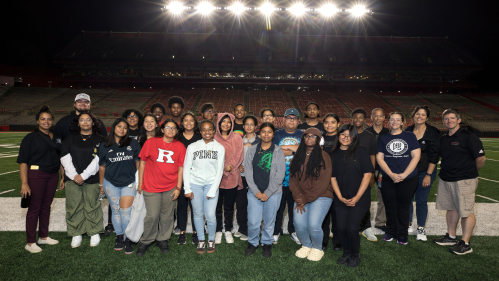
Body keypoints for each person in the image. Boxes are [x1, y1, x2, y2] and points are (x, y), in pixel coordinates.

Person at [433, 109, 486, 255]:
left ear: (459, 120)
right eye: (446, 119)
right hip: (446, 178)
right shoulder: (443, 138)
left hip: (464, 180)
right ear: (443, 121)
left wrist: (472, 174)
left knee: (466, 211)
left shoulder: (469, 136)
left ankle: (465, 243)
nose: (449, 121)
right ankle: (451, 236)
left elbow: (481, 158)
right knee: (451, 208)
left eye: (452, 118)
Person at [136, 119, 186, 257]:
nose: (171, 130)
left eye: (174, 128)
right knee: (152, 215)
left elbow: (181, 168)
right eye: (168, 128)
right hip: (151, 185)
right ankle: (146, 240)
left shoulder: (180, 146)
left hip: (170, 186)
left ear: (177, 131)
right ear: (162, 129)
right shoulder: (151, 142)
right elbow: (143, 162)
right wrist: (140, 183)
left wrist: (178, 187)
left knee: (167, 215)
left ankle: (163, 239)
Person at [18, 106, 64, 253]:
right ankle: (30, 242)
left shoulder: (56, 137)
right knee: (34, 208)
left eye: (49, 119)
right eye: (43, 119)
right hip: (36, 175)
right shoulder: (30, 138)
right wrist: (24, 183)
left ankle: (43, 237)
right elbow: (23, 161)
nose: (46, 121)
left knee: (46, 207)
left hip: (53, 175)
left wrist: (63, 176)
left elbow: (60, 158)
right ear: (37, 121)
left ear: (52, 121)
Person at [330, 124, 374, 268]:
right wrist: (340, 197)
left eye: (349, 135)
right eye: (343, 134)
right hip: (340, 198)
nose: (346, 138)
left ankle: (355, 255)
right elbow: (333, 178)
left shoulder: (361, 151)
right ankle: (347, 252)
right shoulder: (333, 154)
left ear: (354, 137)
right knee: (341, 228)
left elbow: (367, 175)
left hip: (359, 198)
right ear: (338, 135)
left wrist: (356, 197)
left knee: (352, 228)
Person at [60, 110, 106, 248]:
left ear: (93, 122)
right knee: (74, 206)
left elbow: (99, 160)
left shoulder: (100, 139)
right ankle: (76, 233)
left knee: (92, 205)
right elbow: (64, 157)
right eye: (82, 120)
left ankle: (94, 232)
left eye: (88, 120)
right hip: (72, 178)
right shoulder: (69, 138)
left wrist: (83, 176)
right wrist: (75, 176)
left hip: (92, 178)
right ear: (78, 122)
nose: (85, 122)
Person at [289, 128, 333, 261]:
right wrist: (298, 197)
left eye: (313, 136)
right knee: (299, 223)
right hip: (301, 196)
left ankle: (317, 248)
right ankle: (306, 245)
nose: (309, 138)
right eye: (307, 136)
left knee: (313, 225)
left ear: (319, 140)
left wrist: (305, 199)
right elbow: (292, 178)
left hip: (321, 195)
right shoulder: (298, 155)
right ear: (302, 139)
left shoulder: (324, 156)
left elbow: (322, 182)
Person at [376, 112, 421, 245]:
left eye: (398, 120)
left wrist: (404, 175)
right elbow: (379, 157)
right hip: (389, 178)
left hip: (408, 178)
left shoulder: (410, 136)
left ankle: (402, 234)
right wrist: (391, 174)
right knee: (389, 205)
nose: (394, 122)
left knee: (403, 206)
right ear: (388, 122)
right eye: (392, 120)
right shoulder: (384, 138)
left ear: (403, 122)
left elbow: (416, 156)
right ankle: (390, 231)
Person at [98, 118, 141, 254]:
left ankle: (128, 237)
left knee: (126, 211)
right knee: (115, 209)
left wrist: (139, 181)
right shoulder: (104, 145)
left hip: (129, 182)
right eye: (119, 126)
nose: (122, 129)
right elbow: (102, 166)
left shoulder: (133, 143)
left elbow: (138, 163)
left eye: (125, 127)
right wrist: (100, 185)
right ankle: (119, 236)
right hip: (110, 182)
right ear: (113, 128)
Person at [183, 120, 225, 254]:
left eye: (210, 129)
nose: (207, 132)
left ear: (214, 131)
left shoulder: (219, 147)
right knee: (197, 214)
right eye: (204, 130)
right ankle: (201, 240)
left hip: (211, 185)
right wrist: (187, 188)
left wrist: (213, 190)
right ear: (200, 132)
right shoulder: (192, 147)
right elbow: (186, 168)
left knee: (211, 215)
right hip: (195, 184)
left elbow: (220, 171)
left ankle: (211, 239)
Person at [243, 122, 285, 258]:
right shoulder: (251, 150)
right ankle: (253, 242)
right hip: (254, 192)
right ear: (259, 133)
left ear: (273, 134)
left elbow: (280, 174)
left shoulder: (278, 151)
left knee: (269, 221)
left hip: (273, 193)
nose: (266, 134)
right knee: (253, 221)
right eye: (263, 132)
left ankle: (267, 242)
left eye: (269, 132)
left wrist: (267, 193)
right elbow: (248, 171)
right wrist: (256, 191)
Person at [405, 106, 440, 241]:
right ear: (413, 116)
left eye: (423, 114)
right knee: (407, 200)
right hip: (409, 172)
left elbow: (434, 156)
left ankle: (421, 228)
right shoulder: (408, 130)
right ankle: (407, 224)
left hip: (425, 172)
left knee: (421, 200)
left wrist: (429, 175)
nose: (419, 116)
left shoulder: (433, 132)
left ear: (427, 117)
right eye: (417, 114)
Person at [273, 108, 303, 245]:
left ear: (298, 121)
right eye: (289, 118)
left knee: (295, 208)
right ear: (284, 120)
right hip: (278, 178)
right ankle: (276, 231)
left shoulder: (303, 135)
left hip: (297, 179)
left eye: (294, 118)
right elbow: (273, 152)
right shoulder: (276, 134)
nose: (291, 120)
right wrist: (294, 148)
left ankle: (293, 231)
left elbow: (304, 152)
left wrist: (285, 148)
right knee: (277, 207)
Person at [214, 113, 244, 244]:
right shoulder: (213, 137)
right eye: (223, 121)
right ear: (218, 123)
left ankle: (227, 229)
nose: (226, 124)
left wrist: (229, 167)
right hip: (216, 178)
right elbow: (211, 156)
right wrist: (222, 168)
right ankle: (218, 230)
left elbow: (239, 155)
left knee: (229, 206)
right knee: (217, 206)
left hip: (231, 176)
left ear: (232, 124)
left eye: (228, 122)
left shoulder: (237, 137)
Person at [351, 108, 378, 242]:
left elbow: (373, 156)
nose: (358, 120)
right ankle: (348, 225)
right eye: (355, 117)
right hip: (349, 174)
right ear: (352, 119)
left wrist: (372, 173)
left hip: (365, 174)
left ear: (365, 120)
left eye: (360, 118)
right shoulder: (347, 134)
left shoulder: (369, 136)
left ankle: (366, 227)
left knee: (365, 200)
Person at [176, 111, 203, 245]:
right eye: (185, 120)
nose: (188, 122)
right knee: (181, 204)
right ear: (182, 122)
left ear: (195, 122)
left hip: (196, 177)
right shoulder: (177, 137)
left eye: (191, 120)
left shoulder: (200, 137)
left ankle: (196, 232)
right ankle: (182, 232)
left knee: (195, 206)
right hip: (180, 175)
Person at [235, 115, 261, 241]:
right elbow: (235, 156)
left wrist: (250, 168)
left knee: (252, 204)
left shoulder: (260, 141)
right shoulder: (239, 140)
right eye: (247, 124)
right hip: (240, 177)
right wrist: (238, 165)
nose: (249, 126)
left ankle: (251, 230)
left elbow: (262, 160)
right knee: (240, 204)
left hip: (254, 178)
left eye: (252, 124)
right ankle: (242, 228)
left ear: (255, 127)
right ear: (243, 126)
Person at [365, 108, 390, 232]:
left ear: (384, 118)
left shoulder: (388, 132)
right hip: (367, 170)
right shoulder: (366, 132)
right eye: (376, 116)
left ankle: (380, 222)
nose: (378, 118)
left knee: (382, 197)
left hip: (383, 170)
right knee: (365, 196)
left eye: (381, 116)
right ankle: (364, 222)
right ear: (371, 117)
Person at [320, 113, 341, 251]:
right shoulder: (319, 138)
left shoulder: (342, 138)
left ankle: (338, 241)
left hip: (339, 179)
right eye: (326, 122)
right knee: (324, 211)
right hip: (323, 179)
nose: (329, 125)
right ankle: (324, 239)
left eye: (332, 122)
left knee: (337, 211)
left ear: (338, 124)